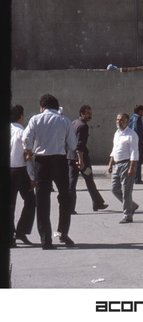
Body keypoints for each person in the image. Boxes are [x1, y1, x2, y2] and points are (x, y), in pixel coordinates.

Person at [22, 93, 77, 249]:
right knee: (65, 197)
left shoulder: (35, 119)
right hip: (59, 160)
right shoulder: (64, 120)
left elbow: (26, 139)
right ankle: (62, 232)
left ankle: (45, 239)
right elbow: (72, 145)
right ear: (56, 106)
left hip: (41, 161)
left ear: (43, 107)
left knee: (42, 200)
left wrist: (29, 151)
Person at [67, 105, 108, 213]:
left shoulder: (74, 123)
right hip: (82, 160)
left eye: (91, 113)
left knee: (72, 183)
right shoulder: (83, 126)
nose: (90, 116)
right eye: (88, 113)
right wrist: (81, 160)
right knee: (89, 180)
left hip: (71, 157)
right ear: (82, 114)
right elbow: (80, 144)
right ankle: (97, 202)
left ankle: (70, 207)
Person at [10, 104, 36, 247]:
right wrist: (32, 177)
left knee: (9, 205)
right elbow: (28, 156)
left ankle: (9, 236)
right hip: (20, 171)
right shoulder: (22, 132)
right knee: (31, 200)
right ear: (21, 116)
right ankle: (21, 230)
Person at [108, 112, 140, 223]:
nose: (119, 122)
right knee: (114, 189)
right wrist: (110, 163)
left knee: (126, 191)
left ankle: (127, 215)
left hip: (127, 164)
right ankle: (132, 206)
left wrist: (132, 167)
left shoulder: (131, 134)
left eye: (121, 120)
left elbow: (134, 152)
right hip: (117, 164)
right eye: (117, 120)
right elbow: (114, 149)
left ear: (127, 121)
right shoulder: (117, 133)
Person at [128, 104, 143, 183]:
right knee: (138, 160)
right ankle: (137, 178)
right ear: (140, 111)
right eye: (142, 110)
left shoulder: (132, 118)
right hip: (138, 142)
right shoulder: (137, 119)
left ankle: (135, 178)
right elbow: (135, 129)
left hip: (135, 141)